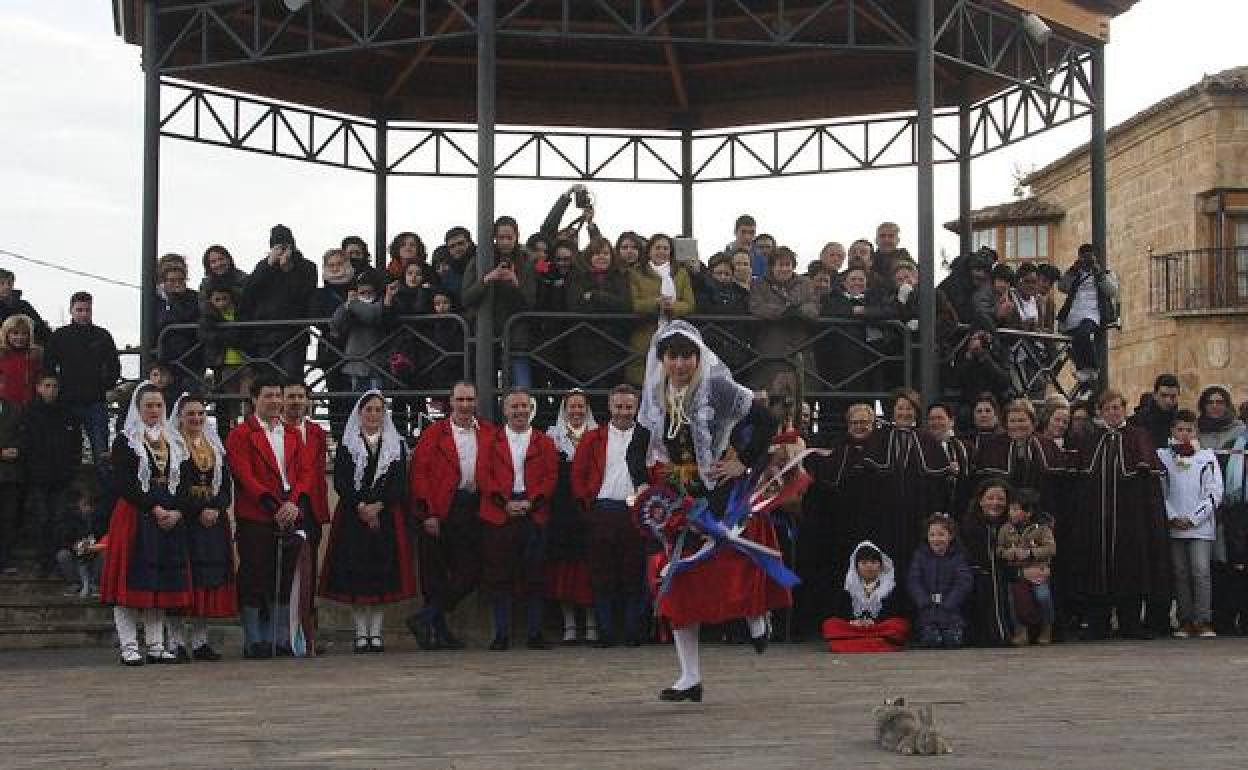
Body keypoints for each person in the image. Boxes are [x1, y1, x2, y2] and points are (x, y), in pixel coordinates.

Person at [637, 321, 788, 703]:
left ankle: (756, 617)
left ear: (698, 357)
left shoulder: (716, 387)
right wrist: (642, 483)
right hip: (677, 494)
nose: (682, 364)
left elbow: (766, 420)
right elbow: (637, 445)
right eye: (674, 357)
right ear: (663, 360)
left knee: (732, 559)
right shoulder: (654, 394)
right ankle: (689, 676)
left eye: (688, 355)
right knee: (677, 579)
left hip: (718, 489)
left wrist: (744, 461)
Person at [225, 374, 318, 658]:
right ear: (254, 399)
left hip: (289, 512)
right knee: (255, 574)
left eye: (278, 396)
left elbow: (305, 472)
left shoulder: (291, 432)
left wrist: (292, 503)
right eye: (269, 396)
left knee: (286, 575)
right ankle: (254, 637)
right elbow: (245, 476)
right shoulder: (240, 434)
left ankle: (279, 636)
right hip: (257, 514)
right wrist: (273, 505)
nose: (276, 401)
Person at [99, 383, 191, 666]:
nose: (154, 410)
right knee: (129, 582)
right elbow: (123, 483)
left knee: (158, 580)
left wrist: (176, 511)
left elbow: (184, 481)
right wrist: (153, 506)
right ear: (137, 409)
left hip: (167, 514)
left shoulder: (173, 440)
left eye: (158, 405)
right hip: (135, 514)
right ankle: (129, 645)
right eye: (148, 405)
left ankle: (155, 643)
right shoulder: (126, 440)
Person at [1067, 389, 1169, 640]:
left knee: (1130, 566)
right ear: (1100, 412)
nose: (1114, 412)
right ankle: (1097, 624)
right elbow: (1082, 479)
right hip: (1097, 519)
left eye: (1118, 407)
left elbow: (1150, 476)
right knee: (1096, 566)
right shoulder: (1091, 440)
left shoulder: (1139, 436)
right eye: (1109, 408)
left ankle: (1131, 623)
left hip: (1130, 518)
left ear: (1124, 409)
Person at [320, 391, 416, 653]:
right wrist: (361, 506)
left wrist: (379, 505)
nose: (373, 415)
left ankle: (377, 632)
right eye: (368, 410)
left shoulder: (395, 445)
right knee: (357, 573)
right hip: (353, 517)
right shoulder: (347, 443)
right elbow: (340, 481)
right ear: (359, 413)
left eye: (378, 410)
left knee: (382, 573)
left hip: (386, 516)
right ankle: (361, 632)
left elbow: (399, 484)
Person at [406, 381, 492, 650]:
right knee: (435, 575)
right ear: (451, 402)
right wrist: (428, 513)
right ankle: (438, 632)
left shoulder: (488, 432)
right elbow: (420, 475)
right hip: (442, 508)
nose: (465, 405)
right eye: (460, 400)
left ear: (476, 402)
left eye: (469, 400)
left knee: (471, 572)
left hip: (473, 507)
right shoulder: (434, 433)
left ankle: (425, 617)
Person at [477, 387, 560, 650]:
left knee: (535, 575)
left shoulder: (544, 442)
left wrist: (531, 502)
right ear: (505, 410)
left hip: (534, 512)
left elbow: (550, 477)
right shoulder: (491, 441)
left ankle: (534, 633)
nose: (520, 411)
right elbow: (483, 476)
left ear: (531, 409)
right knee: (499, 575)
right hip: (499, 513)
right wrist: (505, 503)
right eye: (514, 406)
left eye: (524, 406)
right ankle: (501, 633)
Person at [571, 384, 651, 647]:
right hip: (603, 510)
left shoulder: (647, 438)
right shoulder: (593, 438)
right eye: (619, 406)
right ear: (609, 406)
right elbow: (578, 476)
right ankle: (605, 632)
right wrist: (588, 503)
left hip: (636, 512)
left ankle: (632, 632)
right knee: (602, 575)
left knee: (634, 574)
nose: (624, 412)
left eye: (629, 407)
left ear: (637, 408)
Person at [165, 394, 235, 662]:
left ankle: (200, 640)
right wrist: (198, 509)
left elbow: (225, 484)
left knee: (207, 581)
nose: (196, 418)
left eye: (200, 414)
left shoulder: (213, 446)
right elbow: (174, 486)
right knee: (184, 580)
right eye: (190, 414)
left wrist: (217, 507)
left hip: (212, 522)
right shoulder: (173, 445)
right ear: (180, 417)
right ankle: (176, 641)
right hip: (186, 521)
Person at [862, 388, 956, 582]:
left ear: (916, 412)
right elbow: (868, 482)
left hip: (918, 518)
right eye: (900, 408)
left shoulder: (927, 440)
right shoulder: (878, 439)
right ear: (893, 411)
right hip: (885, 520)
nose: (905, 413)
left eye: (910, 409)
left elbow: (939, 484)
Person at [1159, 409, 1223, 639]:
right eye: (1180, 429)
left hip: (1200, 526)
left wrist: (1194, 518)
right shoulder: (1163, 456)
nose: (1184, 434)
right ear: (1172, 431)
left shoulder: (1206, 457)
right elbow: (1161, 492)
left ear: (1195, 430)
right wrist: (1172, 516)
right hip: (1174, 524)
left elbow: (1215, 492)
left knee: (1201, 572)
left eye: (1189, 429)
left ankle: (1204, 619)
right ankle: (1185, 619)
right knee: (1180, 573)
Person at [544, 390, 598, 644]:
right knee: (563, 566)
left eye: (580, 407)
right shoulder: (551, 438)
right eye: (571, 407)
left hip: (590, 508)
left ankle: (590, 622)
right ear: (564, 409)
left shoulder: (598, 437)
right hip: (562, 510)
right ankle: (568, 624)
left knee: (590, 565)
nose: (576, 411)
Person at [460, 216, 536, 388]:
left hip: (517, 337)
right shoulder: (478, 261)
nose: (505, 242)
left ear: (516, 237)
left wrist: (515, 283)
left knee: (522, 388)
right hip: (484, 337)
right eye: (501, 238)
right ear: (494, 238)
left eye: (509, 238)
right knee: (486, 389)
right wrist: (487, 280)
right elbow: (466, 298)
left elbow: (529, 303)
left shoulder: (526, 263)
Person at [239, 224, 318, 382]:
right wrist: (268, 265)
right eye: (277, 246)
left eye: (285, 245)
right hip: (265, 335)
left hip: (294, 335)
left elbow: (304, 294)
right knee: (268, 382)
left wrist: (288, 270)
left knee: (291, 380)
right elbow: (249, 292)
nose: (281, 250)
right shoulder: (263, 266)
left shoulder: (307, 267)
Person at [21, 372, 81, 577]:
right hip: (38, 476)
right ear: (38, 388)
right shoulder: (29, 412)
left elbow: (76, 444)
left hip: (62, 476)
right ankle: (43, 562)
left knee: (59, 519)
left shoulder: (67, 413)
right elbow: (26, 444)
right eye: (47, 386)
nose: (51, 390)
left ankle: (57, 561)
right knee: (42, 519)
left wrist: (72, 467)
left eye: (54, 386)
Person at [748, 246, 819, 397]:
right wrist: (783, 311)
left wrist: (799, 312)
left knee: (800, 398)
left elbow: (814, 307)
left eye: (788, 265)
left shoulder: (805, 284)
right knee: (772, 399)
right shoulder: (759, 285)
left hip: (800, 347)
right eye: (780, 265)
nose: (784, 269)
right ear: (772, 267)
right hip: (771, 348)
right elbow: (757, 307)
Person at [627, 234, 695, 385]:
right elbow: (633, 303)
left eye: (666, 248)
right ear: (649, 251)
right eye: (657, 248)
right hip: (644, 333)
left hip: (673, 333)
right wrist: (655, 303)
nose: (662, 252)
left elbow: (689, 303)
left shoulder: (681, 273)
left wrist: (673, 307)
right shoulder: (636, 273)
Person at [820, 541, 910, 653]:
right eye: (864, 562)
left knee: (898, 625)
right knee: (830, 624)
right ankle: (872, 642)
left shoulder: (890, 585)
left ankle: (854, 642)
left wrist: (873, 622)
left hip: (879, 627)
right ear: (856, 566)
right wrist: (855, 622)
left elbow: (894, 612)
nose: (869, 566)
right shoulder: (849, 586)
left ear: (881, 565)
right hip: (855, 628)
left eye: (873, 562)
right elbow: (841, 612)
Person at [566, 236, 631, 387]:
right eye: (596, 253)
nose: (601, 257)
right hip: (585, 349)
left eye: (606, 253)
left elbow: (624, 305)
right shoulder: (578, 277)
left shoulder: (620, 277)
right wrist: (609, 303)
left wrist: (595, 296)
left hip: (614, 348)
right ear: (589, 257)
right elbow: (576, 306)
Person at [1057, 243, 1119, 396]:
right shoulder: (1075, 273)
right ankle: (1086, 383)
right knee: (1075, 343)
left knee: (1084, 334)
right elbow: (1062, 287)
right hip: (1073, 314)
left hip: (1091, 314)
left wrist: (1098, 273)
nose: (1086, 260)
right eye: (1084, 257)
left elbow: (1112, 291)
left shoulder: (1105, 273)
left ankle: (1092, 368)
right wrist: (1074, 269)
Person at [997, 489, 1057, 646]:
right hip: (1016, 573)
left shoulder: (1042, 528)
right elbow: (999, 549)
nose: (1011, 513)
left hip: (1038, 572)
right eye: (1010, 509)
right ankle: (1020, 630)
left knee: (1043, 596)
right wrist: (1009, 553)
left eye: (1016, 509)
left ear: (1028, 512)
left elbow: (1051, 549)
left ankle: (1046, 627)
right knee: (1012, 600)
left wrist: (1031, 553)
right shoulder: (1005, 529)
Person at [959, 477, 1013, 646]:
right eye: (990, 498)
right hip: (978, 578)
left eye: (1001, 499)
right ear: (980, 501)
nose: (995, 503)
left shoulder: (1014, 525)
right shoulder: (968, 525)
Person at [907, 514, 972, 649]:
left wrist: (949, 603)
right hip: (927, 612)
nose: (936, 539)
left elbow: (963, 582)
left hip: (951, 613)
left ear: (951, 536)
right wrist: (923, 601)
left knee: (952, 641)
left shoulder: (958, 557)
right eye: (932, 535)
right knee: (932, 641)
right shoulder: (920, 556)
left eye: (941, 534)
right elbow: (914, 581)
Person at [330, 271, 396, 393]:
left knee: (374, 402)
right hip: (354, 365)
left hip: (376, 367)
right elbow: (334, 324)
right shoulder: (350, 305)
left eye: (369, 293)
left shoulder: (380, 305)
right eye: (362, 293)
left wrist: (354, 304)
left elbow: (371, 316)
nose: (365, 296)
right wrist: (346, 305)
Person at [197, 281, 248, 436]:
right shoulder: (209, 316)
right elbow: (205, 335)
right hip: (224, 364)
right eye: (217, 300)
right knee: (230, 403)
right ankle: (234, 432)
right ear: (210, 301)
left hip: (245, 362)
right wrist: (228, 335)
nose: (221, 303)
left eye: (224, 299)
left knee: (247, 399)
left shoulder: (240, 312)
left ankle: (248, 429)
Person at [155, 260, 203, 389]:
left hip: (191, 360)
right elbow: (159, 324)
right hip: (164, 360)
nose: (176, 284)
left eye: (180, 280)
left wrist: (176, 299)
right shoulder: (156, 301)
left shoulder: (195, 298)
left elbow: (190, 320)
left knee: (190, 397)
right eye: (172, 280)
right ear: (163, 282)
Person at [52, 486, 102, 597]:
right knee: (63, 555)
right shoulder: (69, 518)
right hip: (75, 552)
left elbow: (104, 538)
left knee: (106, 555)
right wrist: (76, 546)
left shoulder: (99, 519)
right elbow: (63, 538)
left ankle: (95, 585)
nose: (88, 509)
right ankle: (74, 584)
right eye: (85, 505)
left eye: (91, 506)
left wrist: (94, 546)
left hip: (94, 552)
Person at [0, 375, 20, 575]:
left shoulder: (13, 410)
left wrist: (17, 450)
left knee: (8, 518)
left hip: (9, 475)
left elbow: (23, 436)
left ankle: (4, 560)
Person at [1129, 374, 1182, 450]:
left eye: (1173, 396)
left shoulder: (1181, 421)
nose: (1168, 401)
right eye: (1163, 395)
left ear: (1178, 396)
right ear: (1155, 395)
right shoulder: (1137, 421)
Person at [0, 314, 42, 407]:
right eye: (15, 333)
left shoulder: (35, 355)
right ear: (6, 334)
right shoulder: (2, 354)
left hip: (30, 406)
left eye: (24, 333)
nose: (20, 337)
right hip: (5, 407)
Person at [0, 268, 50, 342]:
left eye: (9, 283)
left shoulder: (24, 306)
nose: (6, 287)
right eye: (2, 283)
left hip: (24, 350)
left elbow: (42, 329)